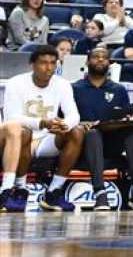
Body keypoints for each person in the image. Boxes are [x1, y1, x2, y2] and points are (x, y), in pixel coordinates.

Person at [0, 47, 86, 212]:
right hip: (17, 139)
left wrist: (64, 125)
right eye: (44, 63)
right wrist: (41, 123)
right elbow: (12, 118)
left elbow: (74, 115)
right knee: (23, 131)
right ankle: (19, 189)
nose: (48, 68)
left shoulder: (62, 84)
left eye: (53, 63)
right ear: (32, 65)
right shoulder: (16, 82)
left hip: (46, 139)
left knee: (77, 131)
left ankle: (54, 191)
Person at [73, 45, 133, 210]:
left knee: (132, 134)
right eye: (96, 56)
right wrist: (81, 124)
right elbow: (66, 118)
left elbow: (124, 115)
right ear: (87, 62)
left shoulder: (118, 90)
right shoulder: (75, 88)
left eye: (104, 57)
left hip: (111, 142)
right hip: (84, 144)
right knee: (93, 134)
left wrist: (128, 119)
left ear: (110, 63)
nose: (100, 59)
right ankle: (100, 193)